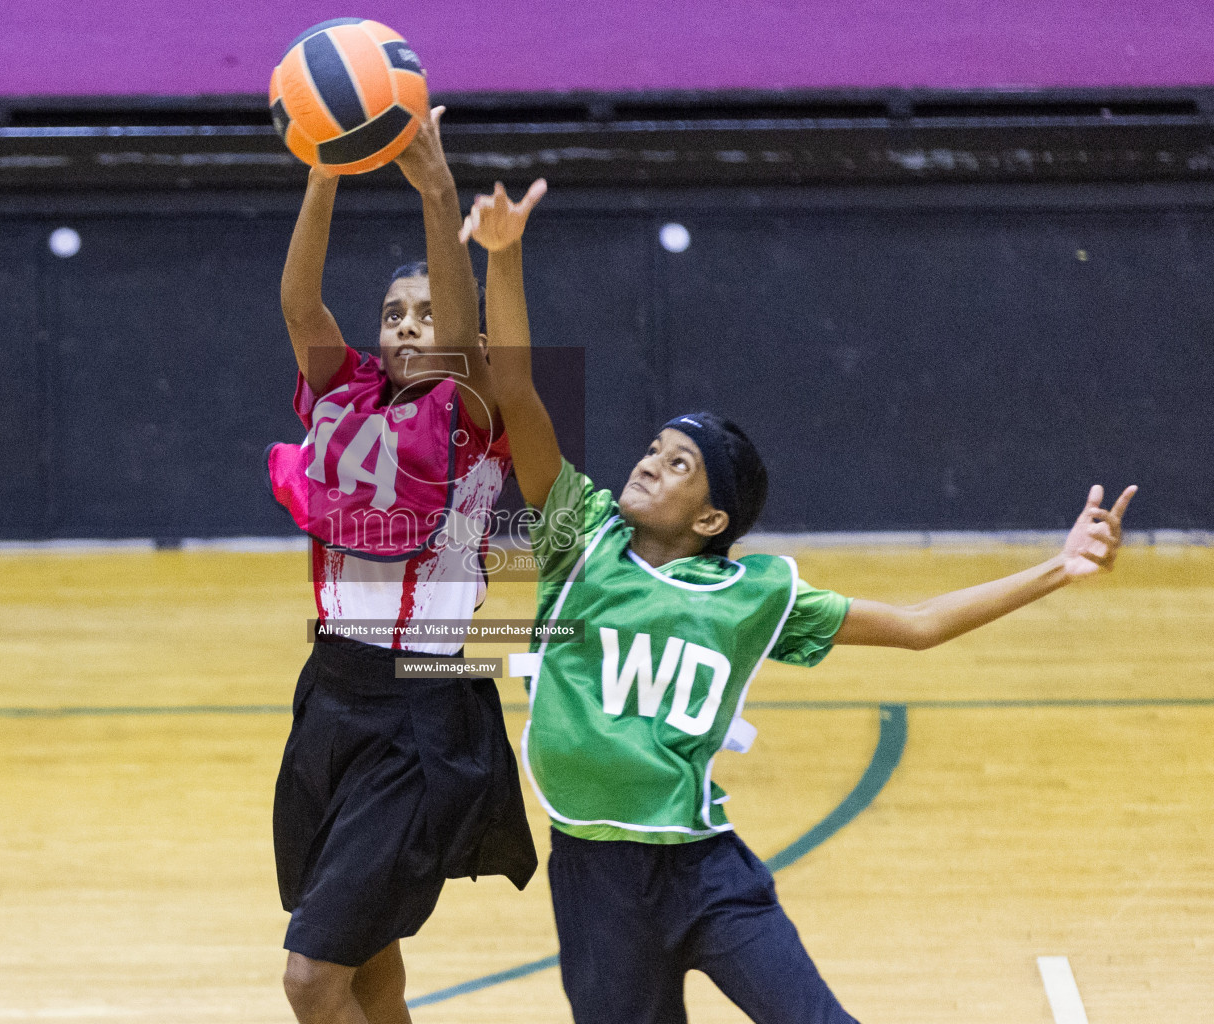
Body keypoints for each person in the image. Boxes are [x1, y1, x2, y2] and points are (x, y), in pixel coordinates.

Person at [460, 179, 1137, 1024]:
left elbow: (920, 627)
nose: (647, 463)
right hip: (597, 880)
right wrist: (506, 256)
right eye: (652, 448)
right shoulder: (577, 534)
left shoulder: (757, 594)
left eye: (678, 465)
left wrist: (1057, 567)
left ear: (711, 518)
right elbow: (516, 394)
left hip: (707, 874)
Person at [268, 108, 537, 1024]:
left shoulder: (477, 413)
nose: (410, 327)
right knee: (369, 964)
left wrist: (437, 191)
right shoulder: (344, 399)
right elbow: (302, 306)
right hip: (331, 692)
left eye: (425, 312)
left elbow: (463, 342)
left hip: (423, 704)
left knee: (311, 978)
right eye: (394, 315)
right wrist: (323, 168)